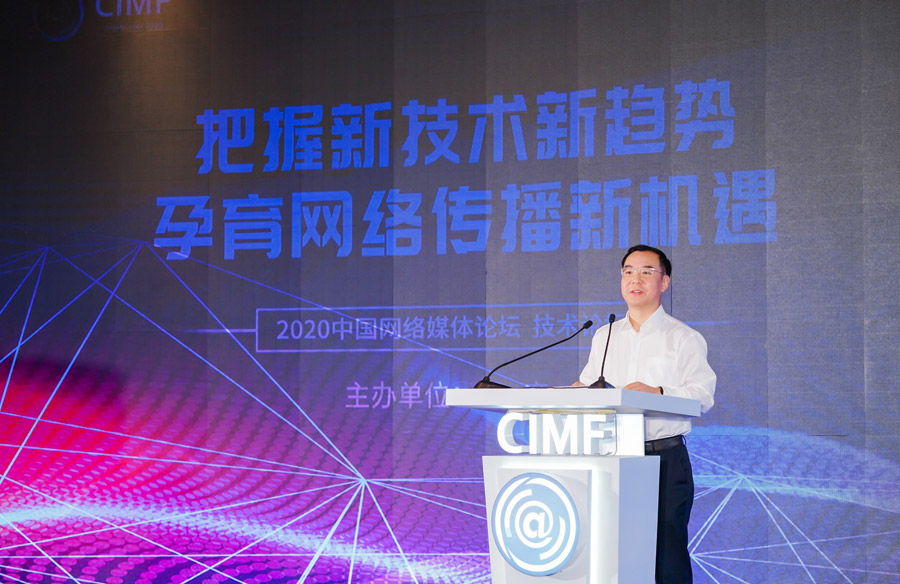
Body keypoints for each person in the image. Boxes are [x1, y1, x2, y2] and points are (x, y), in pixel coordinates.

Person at [576, 244, 716, 583]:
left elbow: (702, 396)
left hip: (662, 459)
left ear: (664, 282)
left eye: (645, 272)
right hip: (611, 457)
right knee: (615, 557)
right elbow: (590, 386)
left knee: (667, 558)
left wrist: (660, 393)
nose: (635, 279)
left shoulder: (683, 337)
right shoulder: (604, 336)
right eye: (628, 272)